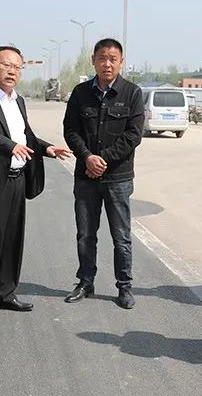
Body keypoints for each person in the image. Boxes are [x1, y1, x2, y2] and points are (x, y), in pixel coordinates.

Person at [0, 45, 72, 327]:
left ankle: (5, 293)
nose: (12, 71)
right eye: (6, 65)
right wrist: (9, 146)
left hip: (16, 180)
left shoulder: (17, 100)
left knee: (11, 239)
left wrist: (46, 148)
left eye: (17, 67)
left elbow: (24, 135)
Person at [62, 38, 144, 309]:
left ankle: (124, 287)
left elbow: (133, 136)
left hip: (118, 178)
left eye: (113, 59)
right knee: (85, 234)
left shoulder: (132, 93)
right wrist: (87, 157)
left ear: (121, 62)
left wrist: (102, 159)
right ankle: (85, 282)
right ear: (93, 61)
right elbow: (70, 130)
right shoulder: (80, 92)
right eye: (102, 58)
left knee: (121, 236)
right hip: (86, 177)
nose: (107, 64)